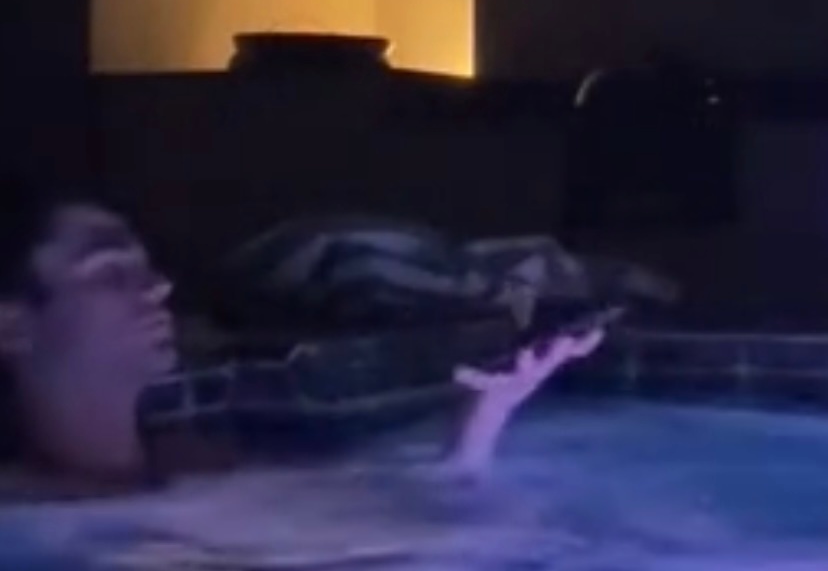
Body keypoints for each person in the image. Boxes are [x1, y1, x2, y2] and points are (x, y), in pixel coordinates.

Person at [0, 186, 604, 493]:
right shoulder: (28, 520)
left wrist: (477, 430)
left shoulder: (201, 465)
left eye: (147, 266)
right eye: (110, 273)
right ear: (13, 326)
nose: (157, 287)